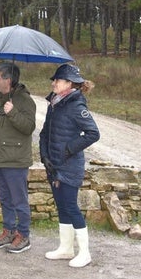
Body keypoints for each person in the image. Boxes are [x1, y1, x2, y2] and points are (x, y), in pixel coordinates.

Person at [39, 63, 100, 268]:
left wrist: (68, 149)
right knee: (62, 206)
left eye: (57, 80)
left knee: (71, 207)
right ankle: (66, 248)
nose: (53, 83)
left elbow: (93, 133)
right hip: (54, 165)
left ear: (69, 84)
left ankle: (85, 253)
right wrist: (44, 155)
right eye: (54, 80)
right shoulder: (55, 103)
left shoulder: (76, 106)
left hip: (69, 166)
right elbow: (44, 133)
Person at [0, 62, 36, 253]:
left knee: (19, 201)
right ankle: (9, 231)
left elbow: (29, 128)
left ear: (9, 79)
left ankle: (23, 235)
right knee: (5, 199)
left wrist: (12, 112)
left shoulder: (25, 101)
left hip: (15, 160)